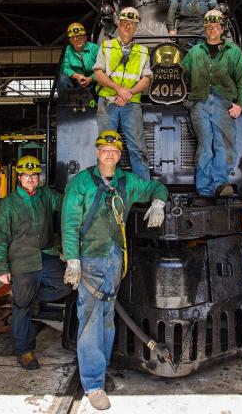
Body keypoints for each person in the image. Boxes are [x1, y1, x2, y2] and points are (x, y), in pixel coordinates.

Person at [61, 130, 168, 410]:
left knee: (107, 321)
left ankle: (101, 369)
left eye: (114, 149)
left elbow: (156, 188)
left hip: (115, 262)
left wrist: (159, 202)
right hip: (90, 260)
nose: (109, 153)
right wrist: (73, 259)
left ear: (120, 154)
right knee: (91, 322)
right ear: (97, 152)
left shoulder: (126, 182)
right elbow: (70, 222)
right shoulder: (82, 183)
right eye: (105, 149)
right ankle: (94, 385)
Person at [0, 156, 71, 370]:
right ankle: (24, 350)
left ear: (39, 177)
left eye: (34, 175)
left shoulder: (45, 195)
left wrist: (83, 193)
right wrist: (1, 268)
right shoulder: (8, 205)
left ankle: (29, 298)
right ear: (19, 177)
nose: (31, 179)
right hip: (22, 261)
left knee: (66, 285)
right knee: (21, 307)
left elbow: (65, 203)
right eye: (26, 175)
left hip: (46, 255)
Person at [181, 10, 242, 205]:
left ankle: (220, 184)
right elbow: (183, 74)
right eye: (209, 27)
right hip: (199, 102)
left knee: (224, 143)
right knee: (205, 144)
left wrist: (241, 104)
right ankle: (204, 189)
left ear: (222, 29)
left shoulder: (233, 51)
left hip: (224, 102)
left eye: (216, 27)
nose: (212, 30)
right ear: (205, 29)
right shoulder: (195, 52)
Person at [93, 7, 152, 180]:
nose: (128, 26)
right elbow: (98, 73)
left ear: (136, 27)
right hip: (108, 102)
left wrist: (128, 93)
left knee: (138, 147)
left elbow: (146, 78)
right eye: (125, 23)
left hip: (131, 103)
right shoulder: (106, 46)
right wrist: (118, 90)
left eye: (132, 24)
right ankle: (106, 185)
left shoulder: (143, 51)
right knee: (107, 146)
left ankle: (142, 189)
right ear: (119, 24)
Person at [57, 22, 99, 96]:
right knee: (62, 78)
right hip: (75, 82)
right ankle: (66, 103)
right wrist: (78, 76)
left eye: (80, 36)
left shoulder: (95, 48)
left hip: (93, 82)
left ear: (85, 37)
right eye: (74, 37)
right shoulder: (67, 50)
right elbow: (64, 68)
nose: (77, 39)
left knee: (103, 78)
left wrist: (91, 78)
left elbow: (102, 67)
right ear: (70, 39)